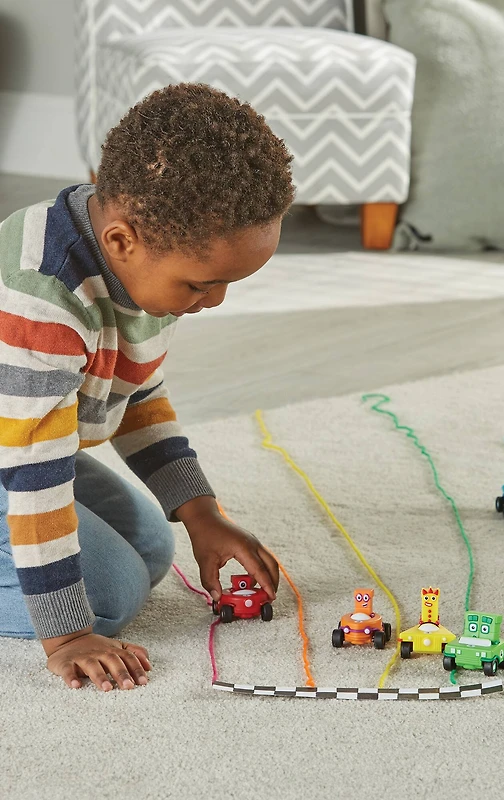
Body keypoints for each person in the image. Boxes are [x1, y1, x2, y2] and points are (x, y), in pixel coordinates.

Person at [0, 83, 295, 690]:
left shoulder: (140, 261)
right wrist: (68, 637)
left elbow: (134, 390)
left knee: (153, 545)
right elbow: (34, 476)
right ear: (121, 241)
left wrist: (201, 511)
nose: (215, 300)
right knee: (108, 596)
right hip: (21, 453)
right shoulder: (44, 298)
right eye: (201, 285)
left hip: (24, 436)